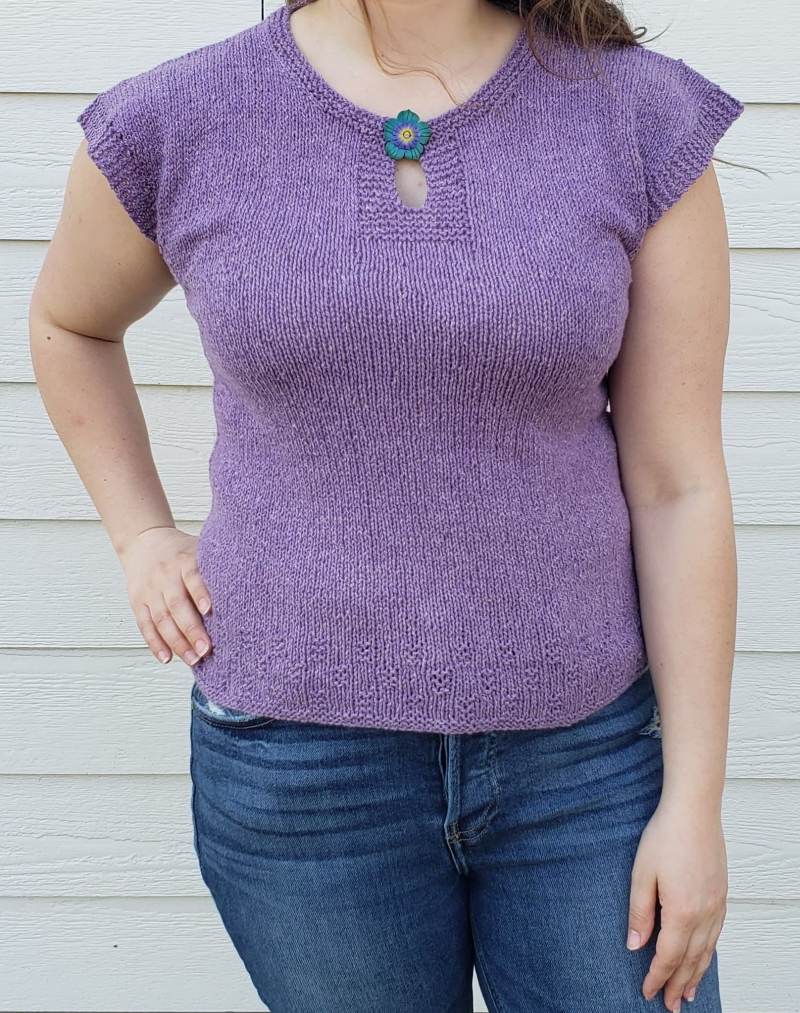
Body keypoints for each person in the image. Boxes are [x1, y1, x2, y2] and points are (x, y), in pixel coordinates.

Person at [30, 0, 742, 1009]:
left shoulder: (633, 117)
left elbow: (679, 484)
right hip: (299, 771)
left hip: (584, 766)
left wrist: (694, 803)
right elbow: (69, 322)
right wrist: (140, 531)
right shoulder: (180, 117)